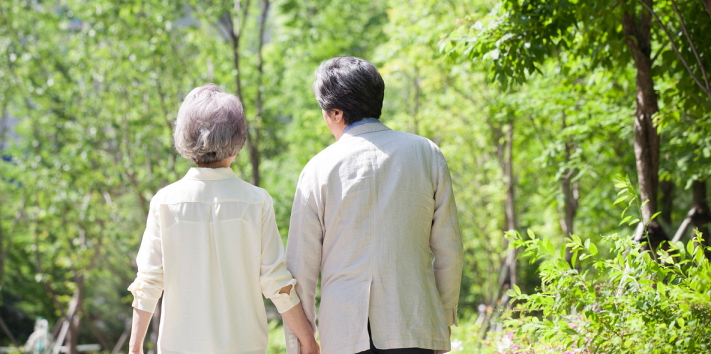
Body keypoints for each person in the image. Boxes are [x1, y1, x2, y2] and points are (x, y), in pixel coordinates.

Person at [285, 57, 464, 354]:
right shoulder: (426, 153)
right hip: (414, 323)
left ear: (337, 112)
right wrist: (440, 319)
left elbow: (301, 267)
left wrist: (301, 342)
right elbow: (450, 248)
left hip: (344, 332)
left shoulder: (318, 168)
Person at [127, 84, 319, 354]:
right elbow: (276, 282)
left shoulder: (164, 202)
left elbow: (148, 283)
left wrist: (134, 347)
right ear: (237, 138)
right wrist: (308, 339)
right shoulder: (257, 201)